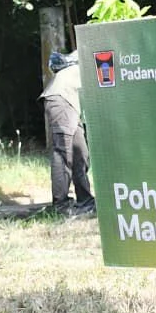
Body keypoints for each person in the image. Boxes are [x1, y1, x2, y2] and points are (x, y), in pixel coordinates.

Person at [40, 51, 94, 216]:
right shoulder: (89, 51)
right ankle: (60, 205)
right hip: (61, 99)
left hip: (70, 104)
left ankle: (85, 201)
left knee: (80, 153)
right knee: (63, 152)